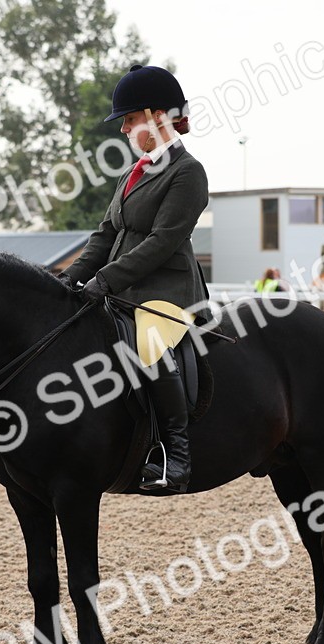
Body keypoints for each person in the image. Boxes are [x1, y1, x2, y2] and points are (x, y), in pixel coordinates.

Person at [59, 64, 209, 493]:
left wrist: (104, 280)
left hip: (167, 292)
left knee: (150, 344)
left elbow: (162, 242)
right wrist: (69, 280)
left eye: (129, 120)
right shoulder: (133, 173)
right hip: (123, 289)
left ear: (157, 116)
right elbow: (105, 234)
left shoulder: (188, 172)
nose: (124, 130)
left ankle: (175, 456)